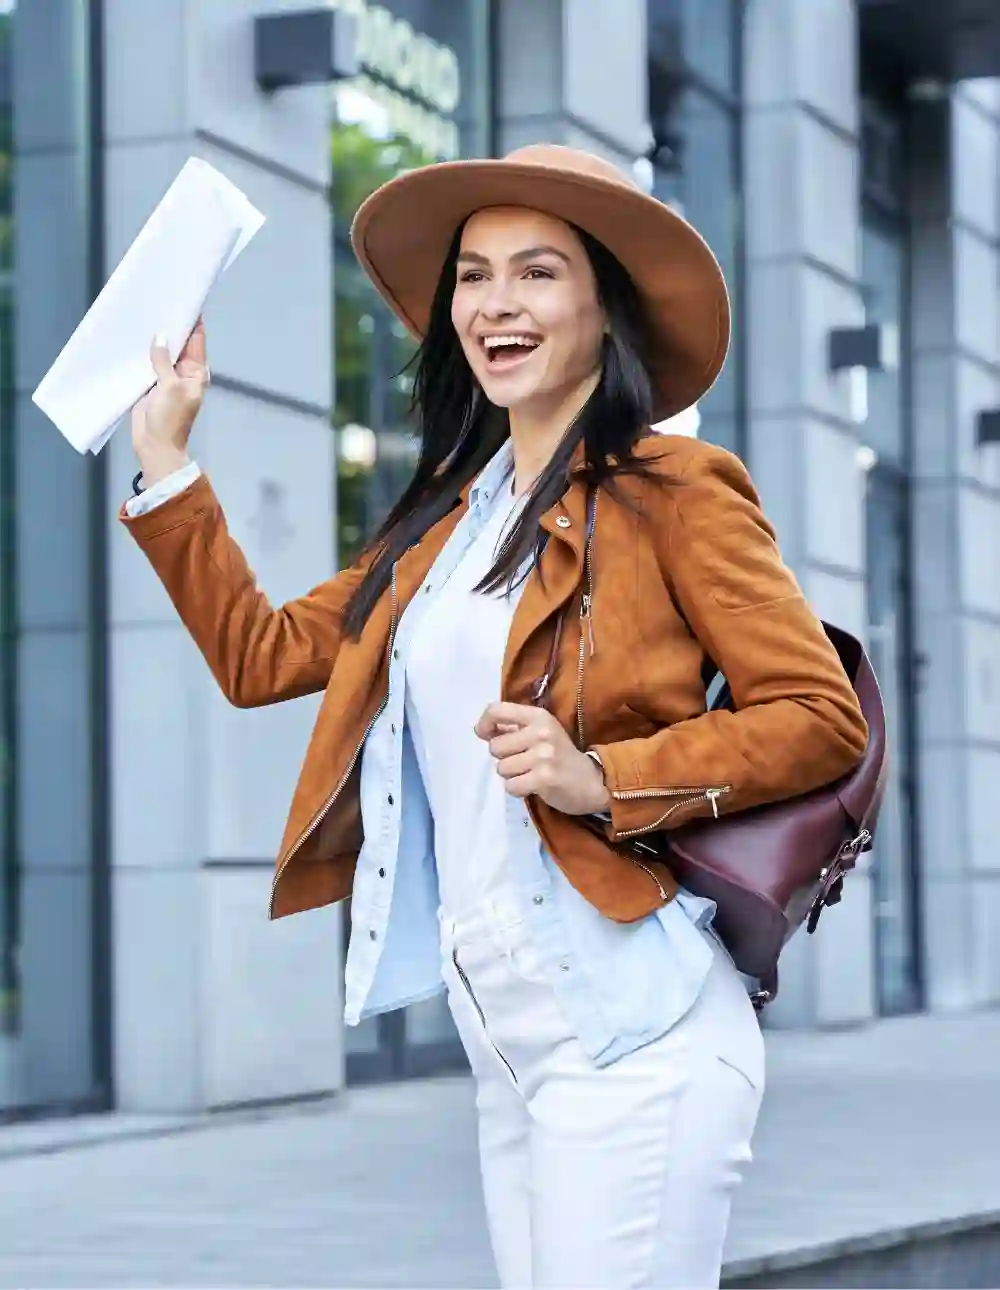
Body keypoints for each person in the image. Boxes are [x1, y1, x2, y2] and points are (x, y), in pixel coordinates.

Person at [122, 144, 868, 1289]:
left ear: (602, 307)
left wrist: (602, 777)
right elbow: (259, 657)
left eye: (537, 273)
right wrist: (167, 457)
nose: (496, 304)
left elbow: (819, 715)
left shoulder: (675, 488)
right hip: (507, 1047)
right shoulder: (445, 529)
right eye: (473, 276)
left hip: (632, 1033)